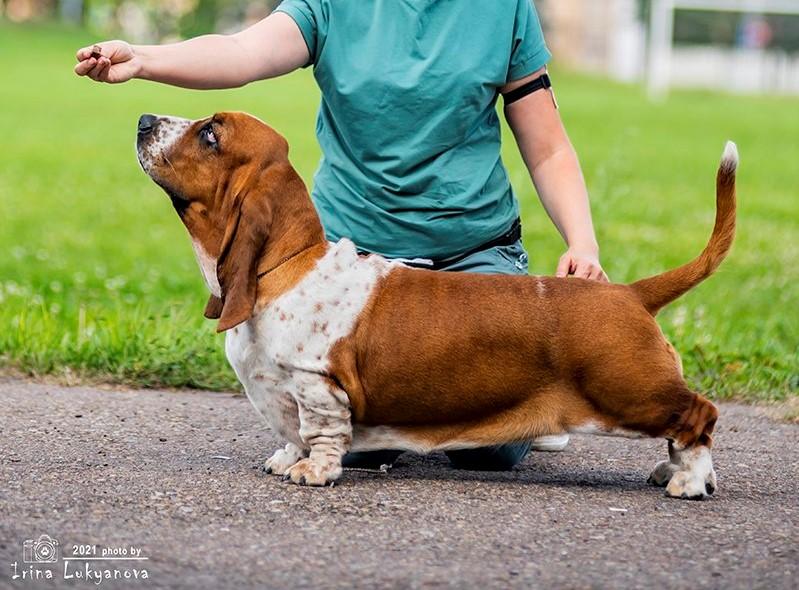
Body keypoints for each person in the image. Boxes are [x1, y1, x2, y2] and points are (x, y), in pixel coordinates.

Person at [75, 0, 608, 471]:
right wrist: (143, 59)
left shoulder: (504, 8)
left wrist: (582, 242)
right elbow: (242, 52)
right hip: (355, 264)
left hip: (470, 256)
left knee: (486, 450)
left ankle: (537, 407)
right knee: (346, 441)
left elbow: (549, 149)